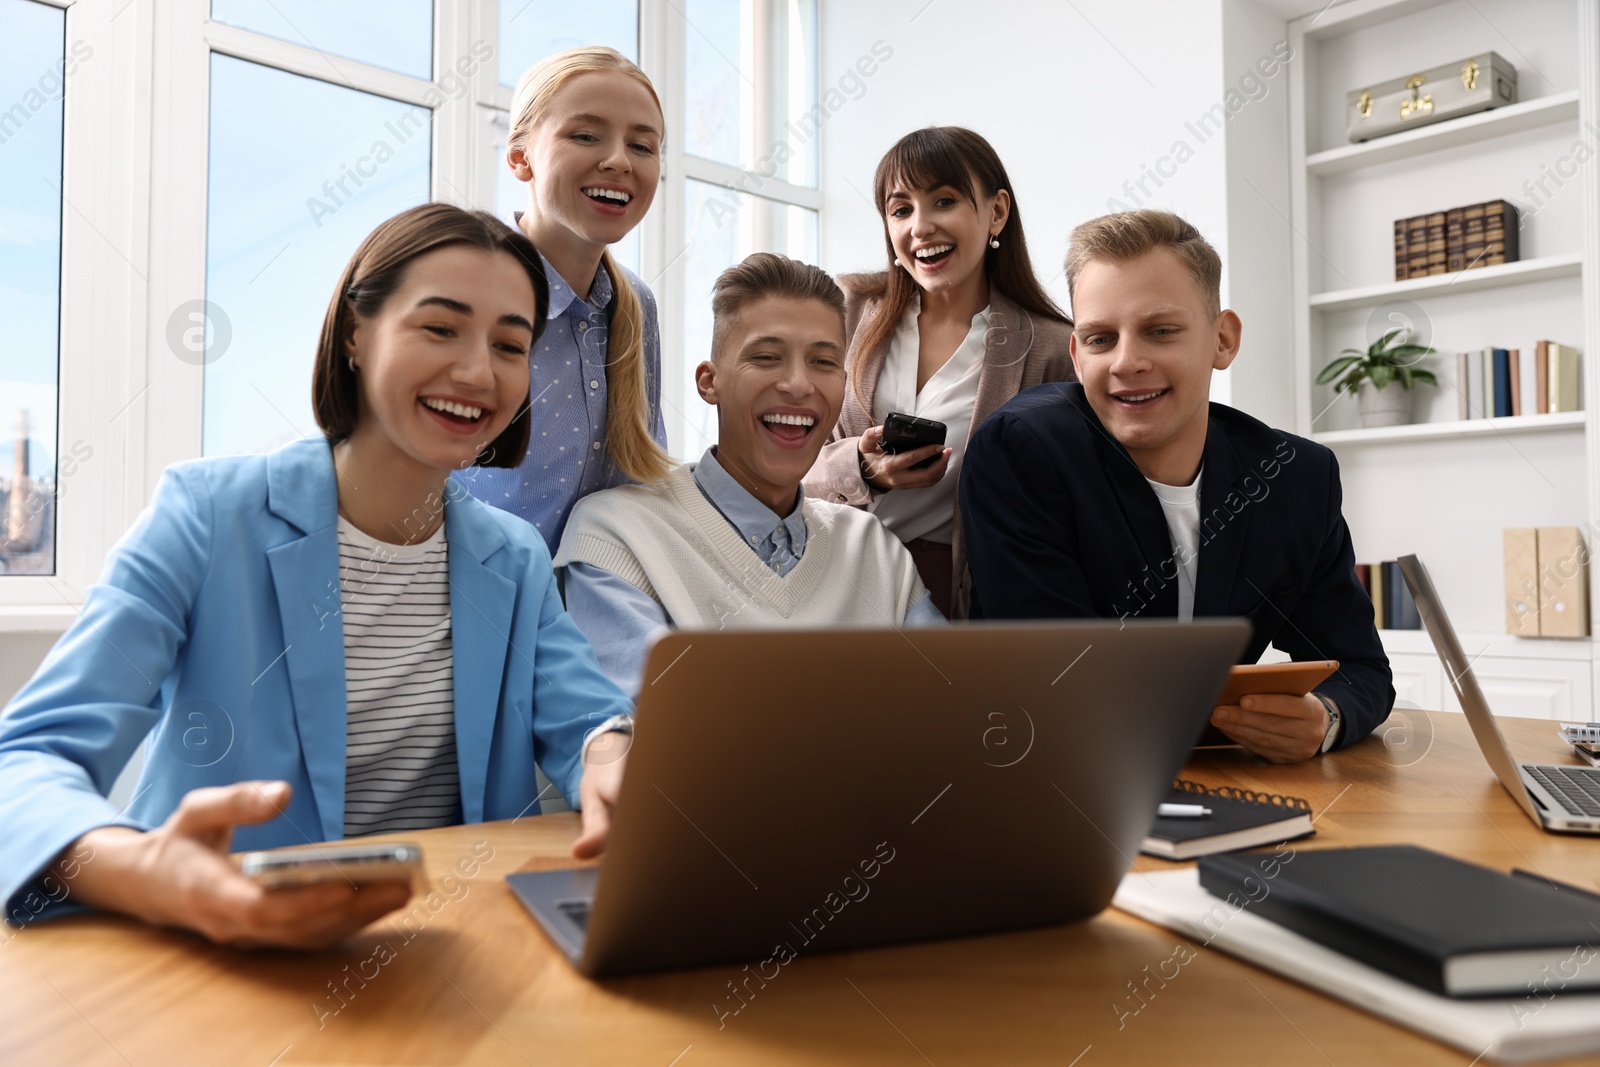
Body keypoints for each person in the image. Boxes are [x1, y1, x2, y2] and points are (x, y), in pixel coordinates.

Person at [0, 204, 632, 945]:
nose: (476, 371)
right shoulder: (207, 514)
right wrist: (148, 872)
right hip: (214, 950)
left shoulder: (515, 555)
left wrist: (611, 751)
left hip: (446, 950)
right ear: (357, 334)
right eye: (439, 327)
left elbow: (590, 717)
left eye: (509, 344)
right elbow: (29, 759)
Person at [960, 209, 1392, 762]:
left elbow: (1360, 668)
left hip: (1229, 782)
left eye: (1160, 331)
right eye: (1099, 339)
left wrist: (1323, 717)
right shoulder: (1021, 453)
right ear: (1075, 355)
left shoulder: (1295, 477)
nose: (1127, 362)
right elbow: (1062, 675)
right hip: (1057, 775)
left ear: (1223, 339)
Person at [554, 253, 942, 704]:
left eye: (822, 362)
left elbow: (950, 708)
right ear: (709, 383)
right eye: (766, 357)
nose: (798, 384)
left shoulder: (873, 548)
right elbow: (649, 744)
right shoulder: (615, 535)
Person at [803, 127, 1073, 618]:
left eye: (943, 201)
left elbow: (1065, 506)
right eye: (901, 209)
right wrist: (863, 470)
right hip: (829, 580)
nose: (920, 227)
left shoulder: (1052, 349)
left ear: (997, 212)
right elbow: (780, 455)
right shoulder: (846, 311)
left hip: (955, 594)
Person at [455, 46, 671, 553]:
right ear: (520, 157)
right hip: (465, 604)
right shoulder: (471, 289)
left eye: (642, 146)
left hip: (589, 618)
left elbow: (644, 479)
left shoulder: (636, 304)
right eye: (585, 135)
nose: (619, 160)